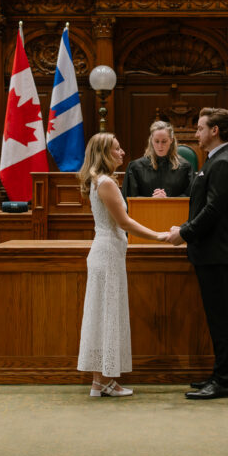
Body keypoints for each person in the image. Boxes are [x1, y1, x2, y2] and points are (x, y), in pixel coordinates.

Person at [77, 132, 168, 397]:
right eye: (117, 149)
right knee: (108, 315)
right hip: (107, 255)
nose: (122, 152)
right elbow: (125, 223)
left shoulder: (101, 181)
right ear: (105, 153)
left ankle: (100, 381)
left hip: (108, 253)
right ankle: (104, 381)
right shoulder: (106, 183)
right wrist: (158, 236)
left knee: (105, 315)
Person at [167, 107, 228, 400]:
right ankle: (220, 374)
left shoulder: (224, 162)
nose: (196, 134)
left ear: (215, 131)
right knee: (216, 319)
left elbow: (213, 210)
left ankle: (224, 382)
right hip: (211, 252)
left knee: (221, 320)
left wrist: (184, 233)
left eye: (200, 128)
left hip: (218, 253)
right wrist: (185, 227)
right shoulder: (216, 159)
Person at [121, 120, 194, 199]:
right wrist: (152, 200)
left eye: (164, 141)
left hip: (174, 210)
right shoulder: (135, 167)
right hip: (145, 210)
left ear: (171, 140)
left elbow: (191, 196)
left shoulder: (185, 167)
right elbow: (129, 198)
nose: (160, 146)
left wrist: (168, 200)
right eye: (156, 141)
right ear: (151, 141)